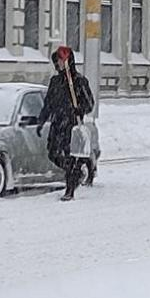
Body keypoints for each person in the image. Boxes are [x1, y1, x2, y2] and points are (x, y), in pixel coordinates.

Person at [37, 45, 94, 201]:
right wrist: (41, 121)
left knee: (70, 156)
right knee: (53, 153)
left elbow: (90, 103)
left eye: (61, 61)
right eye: (57, 62)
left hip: (72, 125)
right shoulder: (55, 81)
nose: (59, 64)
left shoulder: (79, 81)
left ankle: (70, 190)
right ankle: (77, 171)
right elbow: (48, 103)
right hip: (57, 124)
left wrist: (79, 109)